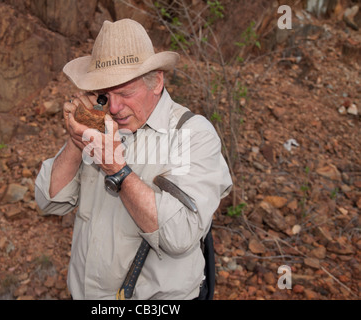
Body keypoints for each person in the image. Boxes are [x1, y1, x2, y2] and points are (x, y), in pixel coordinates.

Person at [35, 19, 232, 300]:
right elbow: (49, 201)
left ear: (157, 81)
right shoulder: (100, 127)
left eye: (126, 93)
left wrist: (116, 168)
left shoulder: (191, 135)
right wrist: (77, 140)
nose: (114, 107)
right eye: (105, 95)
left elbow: (179, 236)